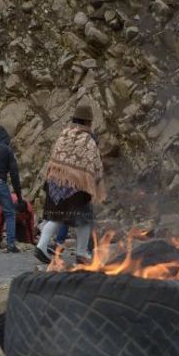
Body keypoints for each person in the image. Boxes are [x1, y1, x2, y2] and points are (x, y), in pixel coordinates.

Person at [35, 102, 106, 265]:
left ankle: (41, 246)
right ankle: (81, 253)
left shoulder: (64, 135)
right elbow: (93, 164)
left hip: (55, 183)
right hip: (77, 187)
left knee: (56, 217)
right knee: (85, 218)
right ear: (88, 122)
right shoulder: (88, 140)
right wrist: (96, 184)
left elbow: (54, 158)